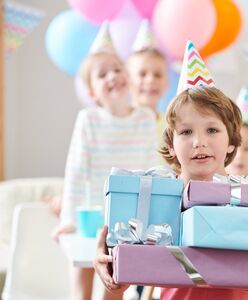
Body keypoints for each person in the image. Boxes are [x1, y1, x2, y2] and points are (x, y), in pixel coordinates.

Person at [94, 41, 248, 300]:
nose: (199, 142)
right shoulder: (155, 198)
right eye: (186, 132)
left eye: (212, 130)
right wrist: (110, 272)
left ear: (231, 143)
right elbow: (122, 278)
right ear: (171, 145)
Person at [53, 23, 159, 300]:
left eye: (117, 69)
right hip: (91, 215)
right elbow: (76, 171)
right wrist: (69, 218)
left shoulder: (146, 118)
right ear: (92, 92)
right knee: (84, 270)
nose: (113, 75)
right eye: (103, 74)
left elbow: (152, 169)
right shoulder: (88, 120)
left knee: (115, 280)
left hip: (128, 218)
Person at [126, 20, 169, 115]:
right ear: (127, 80)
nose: (150, 80)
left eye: (158, 75)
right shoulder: (119, 122)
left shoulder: (171, 126)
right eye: (142, 74)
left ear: (166, 83)